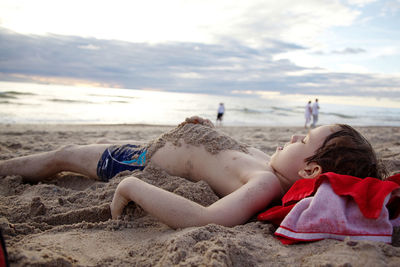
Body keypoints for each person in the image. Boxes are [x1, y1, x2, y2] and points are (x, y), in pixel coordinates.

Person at [0, 116, 386, 229]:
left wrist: (135, 186)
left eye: (302, 140)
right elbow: (221, 155)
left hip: (136, 161)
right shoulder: (268, 162)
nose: (292, 135)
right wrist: (206, 130)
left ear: (309, 169)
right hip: (158, 142)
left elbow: (205, 219)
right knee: (65, 154)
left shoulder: (265, 182)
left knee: (65, 155)